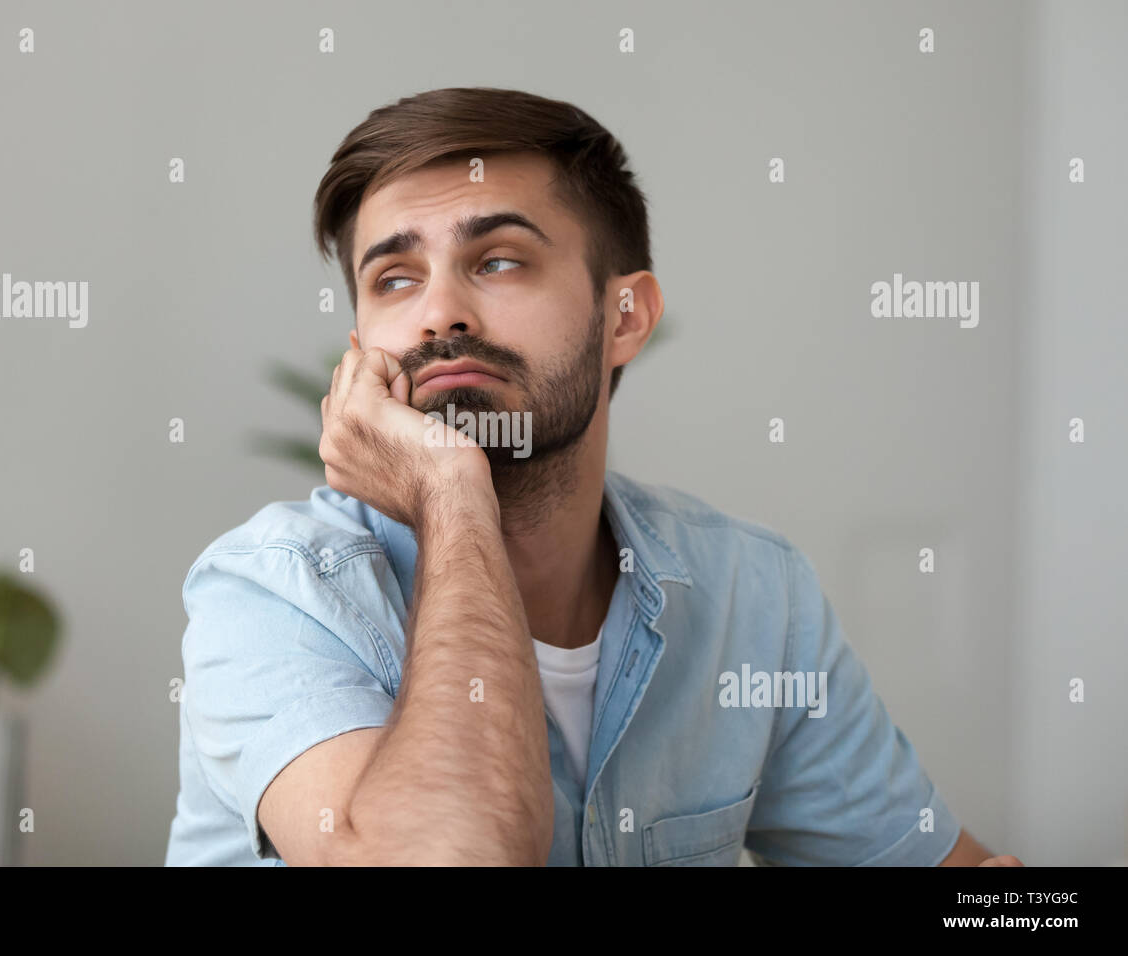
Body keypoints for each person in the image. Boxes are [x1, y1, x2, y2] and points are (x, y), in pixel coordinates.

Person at [164, 87, 1022, 867]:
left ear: (626, 318)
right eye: (394, 279)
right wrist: (452, 490)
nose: (439, 312)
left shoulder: (752, 597)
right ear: (359, 355)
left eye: (498, 260)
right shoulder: (272, 592)